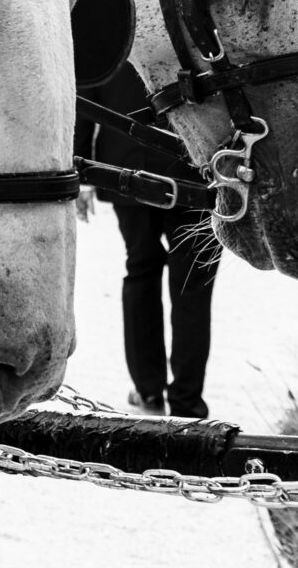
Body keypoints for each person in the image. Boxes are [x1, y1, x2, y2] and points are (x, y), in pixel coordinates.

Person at [85, 65, 218, 418]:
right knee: (193, 283)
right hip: (197, 164)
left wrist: (80, 164)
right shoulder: (199, 11)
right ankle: (187, 401)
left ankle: (148, 391)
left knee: (141, 269)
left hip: (129, 163)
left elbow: (86, 83)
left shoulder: (116, 12)